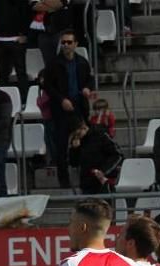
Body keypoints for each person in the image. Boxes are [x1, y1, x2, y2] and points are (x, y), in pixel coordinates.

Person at [44, 29, 93, 188]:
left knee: (84, 142)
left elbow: (89, 80)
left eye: (69, 42)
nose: (66, 45)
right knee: (61, 145)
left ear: (76, 44)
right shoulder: (53, 63)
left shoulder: (82, 62)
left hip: (79, 107)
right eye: (63, 42)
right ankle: (64, 182)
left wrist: (87, 88)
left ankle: (84, 177)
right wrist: (61, 99)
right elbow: (48, 86)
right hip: (61, 110)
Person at [68, 118, 121, 195]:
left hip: (104, 180)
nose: (78, 137)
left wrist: (104, 171)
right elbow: (74, 163)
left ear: (84, 127)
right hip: (87, 182)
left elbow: (117, 155)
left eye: (78, 134)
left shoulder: (100, 135)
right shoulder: (77, 141)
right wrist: (74, 149)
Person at [0, 0, 30, 95]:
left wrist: (25, 34)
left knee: (21, 72)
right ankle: (4, 99)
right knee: (2, 73)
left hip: (17, 39)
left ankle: (24, 99)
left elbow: (26, 14)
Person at [29, 0, 73, 68]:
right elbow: (34, 6)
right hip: (44, 31)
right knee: (49, 64)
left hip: (62, 30)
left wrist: (43, 2)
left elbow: (60, 3)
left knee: (64, 62)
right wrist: (52, 7)